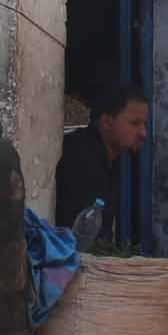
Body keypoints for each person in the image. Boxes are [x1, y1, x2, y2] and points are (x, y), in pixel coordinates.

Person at [55, 82, 148, 239]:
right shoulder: (80, 157)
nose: (143, 133)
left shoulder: (113, 157)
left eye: (144, 124)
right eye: (135, 123)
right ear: (106, 122)